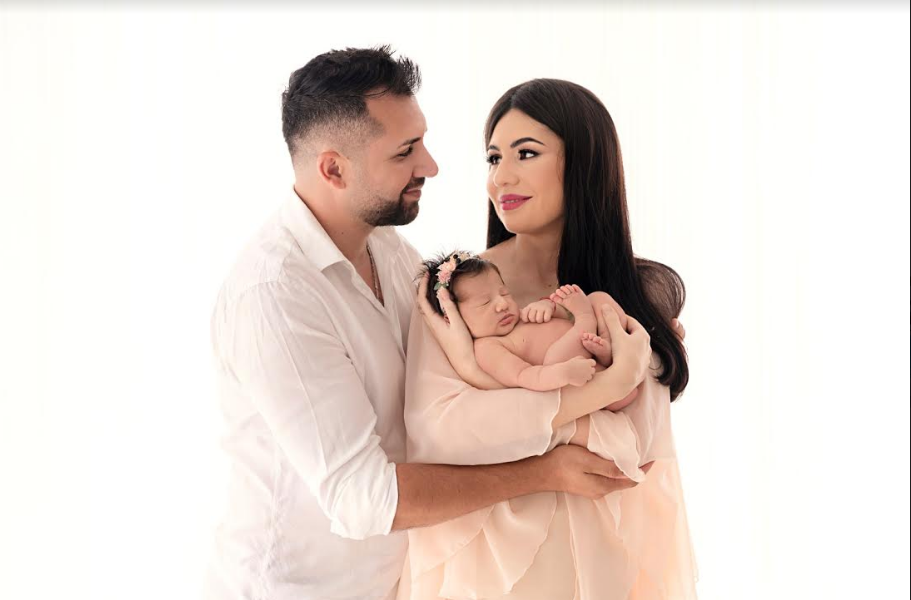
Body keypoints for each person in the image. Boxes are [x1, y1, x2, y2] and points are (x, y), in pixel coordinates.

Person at [205, 47, 654, 600]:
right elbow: (363, 499)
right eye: (405, 152)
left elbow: (474, 372)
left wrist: (616, 339)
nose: (431, 165)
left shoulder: (392, 254)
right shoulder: (274, 295)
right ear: (333, 169)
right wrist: (544, 472)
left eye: (421, 141)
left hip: (400, 582)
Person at [398, 79, 698, 599]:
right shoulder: (458, 291)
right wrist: (601, 395)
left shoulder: (640, 288)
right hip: (490, 565)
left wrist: (486, 388)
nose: (501, 177)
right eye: (494, 158)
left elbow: (635, 452)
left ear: (584, 163)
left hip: (609, 557)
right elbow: (441, 434)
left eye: (526, 153)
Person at [420, 251, 639, 410]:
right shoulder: (487, 347)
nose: (502, 304)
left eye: (504, 293)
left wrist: (549, 306)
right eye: (485, 303)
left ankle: (607, 348)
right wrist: (562, 373)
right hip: (570, 368)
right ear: (454, 317)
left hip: (588, 347)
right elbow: (524, 376)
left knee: (598, 298)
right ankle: (587, 324)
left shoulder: (519, 315)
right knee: (554, 359)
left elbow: (563, 316)